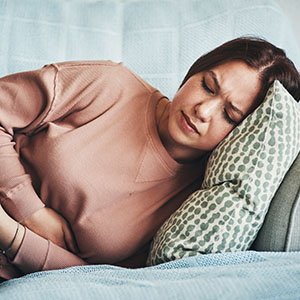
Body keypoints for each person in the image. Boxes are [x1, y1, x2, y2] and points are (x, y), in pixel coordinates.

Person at [0, 37, 300, 281]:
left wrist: (13, 237)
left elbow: (108, 279)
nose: (203, 110)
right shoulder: (109, 82)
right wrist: (29, 210)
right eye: (207, 86)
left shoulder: (194, 205)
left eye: (229, 115)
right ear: (195, 71)